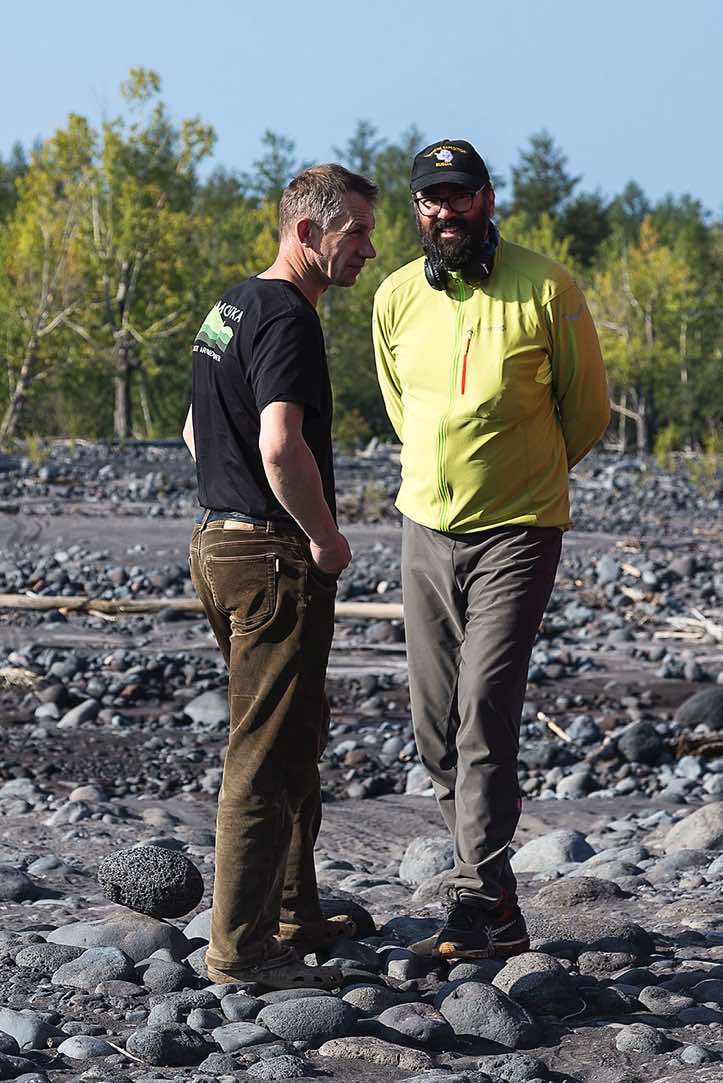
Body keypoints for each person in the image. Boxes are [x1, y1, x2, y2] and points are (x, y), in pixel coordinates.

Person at [372, 139, 609, 961]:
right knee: (433, 726)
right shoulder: (396, 295)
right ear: (417, 208)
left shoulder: (547, 286)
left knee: (482, 708)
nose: (446, 212)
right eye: (431, 199)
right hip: (423, 529)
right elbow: (401, 407)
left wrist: (526, 478)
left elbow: (586, 410)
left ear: (487, 199)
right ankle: (500, 903)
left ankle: (475, 893)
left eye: (460, 196)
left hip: (517, 529)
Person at [183, 163, 377, 989]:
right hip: (269, 555)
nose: (368, 250)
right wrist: (324, 537)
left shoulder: (231, 306)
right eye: (357, 233)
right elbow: (277, 444)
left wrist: (233, 508)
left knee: (297, 737)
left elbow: (195, 427)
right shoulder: (289, 317)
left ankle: (295, 909)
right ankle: (239, 948)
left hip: (219, 546)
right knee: (262, 750)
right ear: (307, 232)